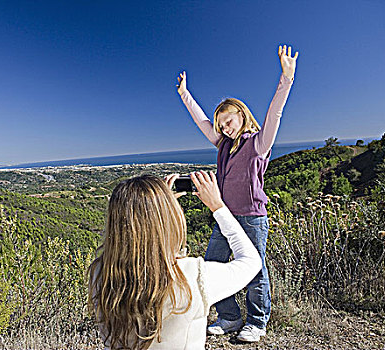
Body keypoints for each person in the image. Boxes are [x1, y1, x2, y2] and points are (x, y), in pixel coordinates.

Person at [175, 45, 298, 342]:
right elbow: (202, 121)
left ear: (241, 115)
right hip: (225, 216)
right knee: (213, 266)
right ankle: (229, 317)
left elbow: (275, 113)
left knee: (254, 271)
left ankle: (257, 322)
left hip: (253, 217)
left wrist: (287, 78)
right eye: (221, 124)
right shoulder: (222, 146)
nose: (225, 128)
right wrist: (184, 94)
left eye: (228, 121)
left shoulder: (258, 143)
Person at [88, 172, 261, 349]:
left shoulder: (100, 274)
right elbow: (251, 260)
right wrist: (218, 207)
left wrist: (157, 206)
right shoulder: (194, 276)